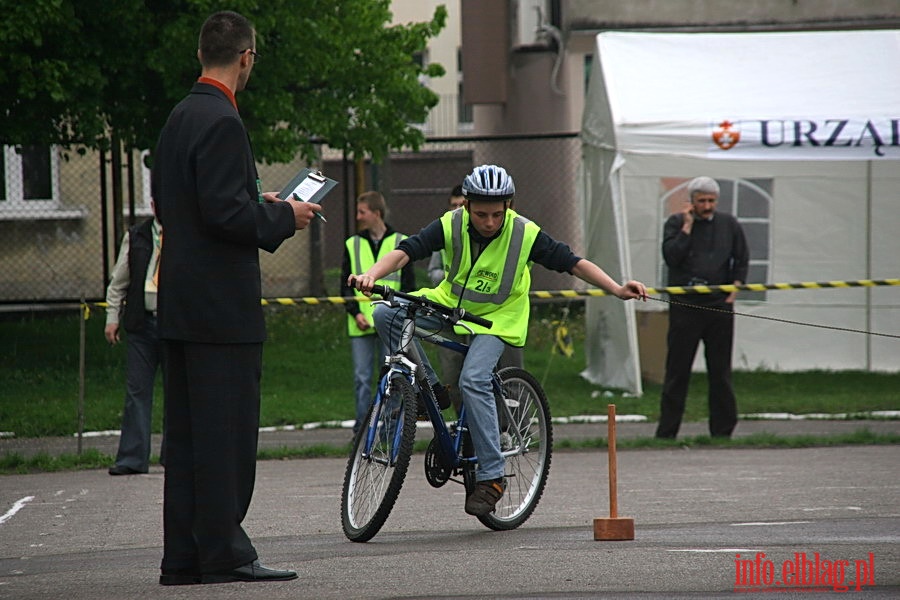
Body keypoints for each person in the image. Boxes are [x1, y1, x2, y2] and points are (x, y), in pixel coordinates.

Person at [349, 164, 647, 517]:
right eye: (480, 214)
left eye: (497, 213)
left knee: (473, 379)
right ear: (466, 206)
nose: (489, 222)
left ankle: (491, 478)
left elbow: (572, 263)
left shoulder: (525, 233)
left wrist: (615, 287)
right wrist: (371, 275)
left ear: (510, 205)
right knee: (386, 313)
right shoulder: (451, 222)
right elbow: (407, 251)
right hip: (453, 308)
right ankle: (428, 383)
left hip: (497, 320)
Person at [151, 10, 321, 586]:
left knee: (189, 440)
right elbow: (224, 214)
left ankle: (184, 557)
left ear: (203, 53)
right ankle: (225, 552)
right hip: (221, 313)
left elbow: (187, 206)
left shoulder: (178, 117)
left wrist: (257, 197)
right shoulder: (223, 120)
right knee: (225, 439)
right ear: (246, 56)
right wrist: (283, 215)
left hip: (180, 306)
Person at [656, 176, 749, 439]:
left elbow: (741, 257)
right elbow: (672, 257)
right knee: (677, 371)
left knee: (720, 372)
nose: (707, 206)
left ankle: (722, 432)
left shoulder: (729, 224)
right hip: (685, 306)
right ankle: (667, 433)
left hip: (719, 306)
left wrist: (735, 287)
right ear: (692, 202)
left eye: (711, 201)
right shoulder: (676, 223)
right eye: (702, 201)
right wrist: (687, 226)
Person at [340, 191, 415, 433]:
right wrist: (355, 312)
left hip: (391, 321)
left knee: (393, 378)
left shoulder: (401, 243)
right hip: (360, 322)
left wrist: (401, 315)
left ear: (376, 213)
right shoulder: (352, 244)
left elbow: (409, 286)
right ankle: (362, 431)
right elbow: (345, 283)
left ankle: (390, 431)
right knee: (362, 379)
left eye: (362, 212)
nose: (358, 217)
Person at [104, 208, 164, 476]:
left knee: (180, 393)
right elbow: (118, 282)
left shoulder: (187, 231)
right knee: (137, 391)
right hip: (142, 323)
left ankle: (175, 456)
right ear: (153, 205)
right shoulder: (137, 235)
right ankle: (132, 458)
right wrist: (112, 317)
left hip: (178, 324)